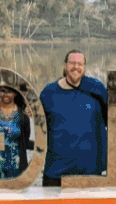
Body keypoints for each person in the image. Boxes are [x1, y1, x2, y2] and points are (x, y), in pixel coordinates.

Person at [39, 50, 109, 187]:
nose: (76, 67)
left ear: (84, 67)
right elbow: (39, 129)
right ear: (65, 65)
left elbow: (111, 119)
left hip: (90, 170)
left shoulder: (96, 88)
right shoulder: (48, 93)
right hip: (56, 170)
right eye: (72, 63)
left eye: (80, 64)